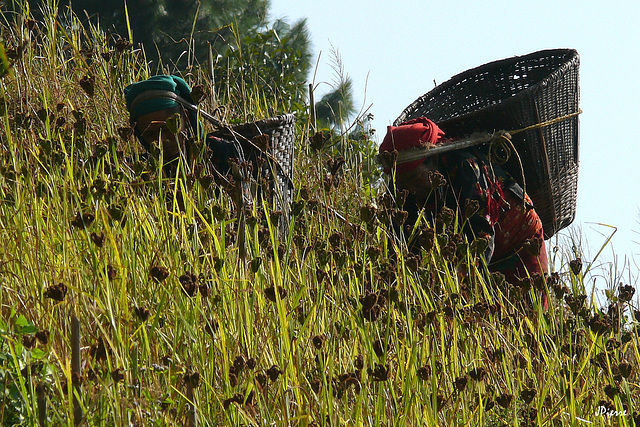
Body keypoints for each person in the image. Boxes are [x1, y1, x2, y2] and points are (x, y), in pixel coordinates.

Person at [379, 117, 549, 286]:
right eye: (402, 182)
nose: (410, 188)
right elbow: (400, 240)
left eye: (415, 178)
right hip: (467, 250)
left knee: (528, 307)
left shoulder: (464, 168)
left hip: (518, 241)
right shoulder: (400, 186)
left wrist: (459, 284)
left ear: (434, 160)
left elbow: (481, 235)